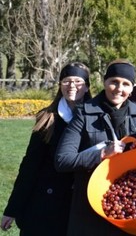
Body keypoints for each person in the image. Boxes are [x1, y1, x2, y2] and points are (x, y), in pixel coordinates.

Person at [55, 59, 136, 236]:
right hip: (90, 209)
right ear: (105, 82)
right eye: (113, 81)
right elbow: (62, 160)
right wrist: (102, 154)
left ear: (132, 89)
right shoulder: (84, 113)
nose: (119, 88)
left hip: (129, 210)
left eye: (126, 84)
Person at [0, 62, 92, 236]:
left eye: (78, 81)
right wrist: (13, 208)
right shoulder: (47, 118)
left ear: (87, 87)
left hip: (79, 203)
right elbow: (30, 165)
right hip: (46, 203)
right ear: (60, 85)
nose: (72, 86)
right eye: (66, 81)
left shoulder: (97, 116)